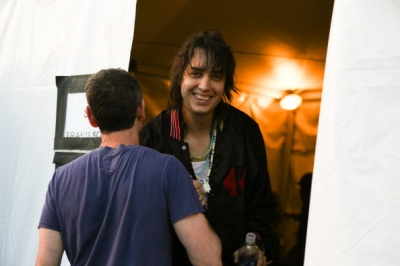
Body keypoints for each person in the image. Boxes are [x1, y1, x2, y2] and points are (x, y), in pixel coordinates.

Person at [35, 68, 222, 266]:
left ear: (90, 117)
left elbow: (45, 262)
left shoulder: (60, 180)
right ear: (141, 109)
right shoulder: (168, 170)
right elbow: (208, 258)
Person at [139, 30, 278, 266]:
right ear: (179, 77)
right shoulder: (153, 137)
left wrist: (256, 245)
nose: (205, 85)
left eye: (216, 76)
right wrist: (175, 197)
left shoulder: (245, 132)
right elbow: (135, 213)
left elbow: (261, 205)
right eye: (195, 73)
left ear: (226, 84)